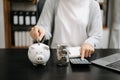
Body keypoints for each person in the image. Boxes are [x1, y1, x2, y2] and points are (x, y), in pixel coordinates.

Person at [30, 0, 103, 60]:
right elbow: (44, 27)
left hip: (82, 56)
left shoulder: (93, 5)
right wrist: (39, 31)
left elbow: (96, 34)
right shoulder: (52, 2)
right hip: (57, 56)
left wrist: (89, 43)